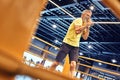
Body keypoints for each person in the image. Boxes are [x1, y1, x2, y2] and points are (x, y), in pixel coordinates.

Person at [49, 9, 93, 78]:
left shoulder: (84, 24)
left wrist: (87, 27)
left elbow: (85, 37)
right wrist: (86, 25)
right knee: (56, 63)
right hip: (67, 43)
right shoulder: (78, 20)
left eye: (90, 16)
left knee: (73, 65)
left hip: (75, 46)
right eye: (87, 15)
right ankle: (47, 74)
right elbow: (77, 31)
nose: (88, 17)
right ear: (83, 14)